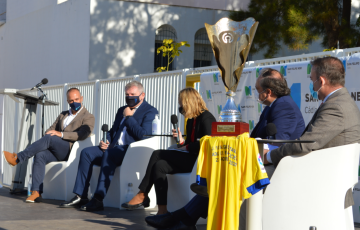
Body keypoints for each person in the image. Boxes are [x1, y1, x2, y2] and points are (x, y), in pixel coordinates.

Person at [59, 81, 158, 211]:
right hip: (113, 148)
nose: (129, 97)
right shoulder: (121, 110)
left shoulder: (150, 111)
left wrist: (129, 118)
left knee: (109, 155)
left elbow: (143, 135)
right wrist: (105, 141)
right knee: (86, 152)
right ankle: (81, 195)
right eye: (127, 94)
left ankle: (98, 198)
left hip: (130, 150)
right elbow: (112, 131)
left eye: (132, 94)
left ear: (142, 95)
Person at [121, 87, 216, 216]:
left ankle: (143, 193)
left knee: (157, 154)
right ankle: (162, 211)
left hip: (198, 162)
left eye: (181, 103)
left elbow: (207, 144)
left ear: (188, 102)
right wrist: (182, 141)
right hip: (189, 157)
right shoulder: (192, 120)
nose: (180, 106)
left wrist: (186, 147)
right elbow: (190, 143)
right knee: (159, 166)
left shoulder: (206, 118)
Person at [3, 88, 95, 203]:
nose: (74, 102)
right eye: (71, 100)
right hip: (57, 150)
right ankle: (36, 192)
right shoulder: (63, 115)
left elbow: (82, 134)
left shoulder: (88, 116)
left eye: (76, 99)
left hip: (70, 150)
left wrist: (60, 134)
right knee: (40, 154)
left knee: (50, 138)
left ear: (81, 98)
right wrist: (51, 134)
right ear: (67, 101)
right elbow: (50, 130)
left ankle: (18, 158)